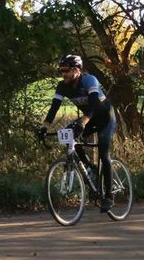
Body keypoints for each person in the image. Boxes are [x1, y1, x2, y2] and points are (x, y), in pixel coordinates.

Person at [39, 54, 116, 212]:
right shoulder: (62, 86)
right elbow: (54, 108)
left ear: (76, 70)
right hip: (90, 118)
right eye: (61, 71)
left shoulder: (89, 80)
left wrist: (83, 121)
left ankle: (109, 196)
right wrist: (44, 127)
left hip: (105, 117)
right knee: (70, 135)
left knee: (103, 152)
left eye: (66, 71)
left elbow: (94, 105)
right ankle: (90, 167)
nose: (63, 74)